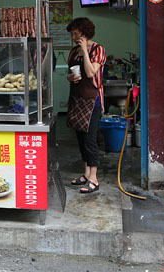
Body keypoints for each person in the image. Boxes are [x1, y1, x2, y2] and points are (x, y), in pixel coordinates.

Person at [66, 17, 106, 194]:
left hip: (93, 101)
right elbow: (69, 74)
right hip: (77, 98)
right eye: (72, 34)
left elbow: (90, 72)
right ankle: (86, 174)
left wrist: (85, 50)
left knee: (90, 139)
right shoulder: (73, 52)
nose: (74, 37)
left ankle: (94, 179)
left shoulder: (98, 50)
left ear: (85, 33)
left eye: (76, 34)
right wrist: (70, 77)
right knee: (81, 139)